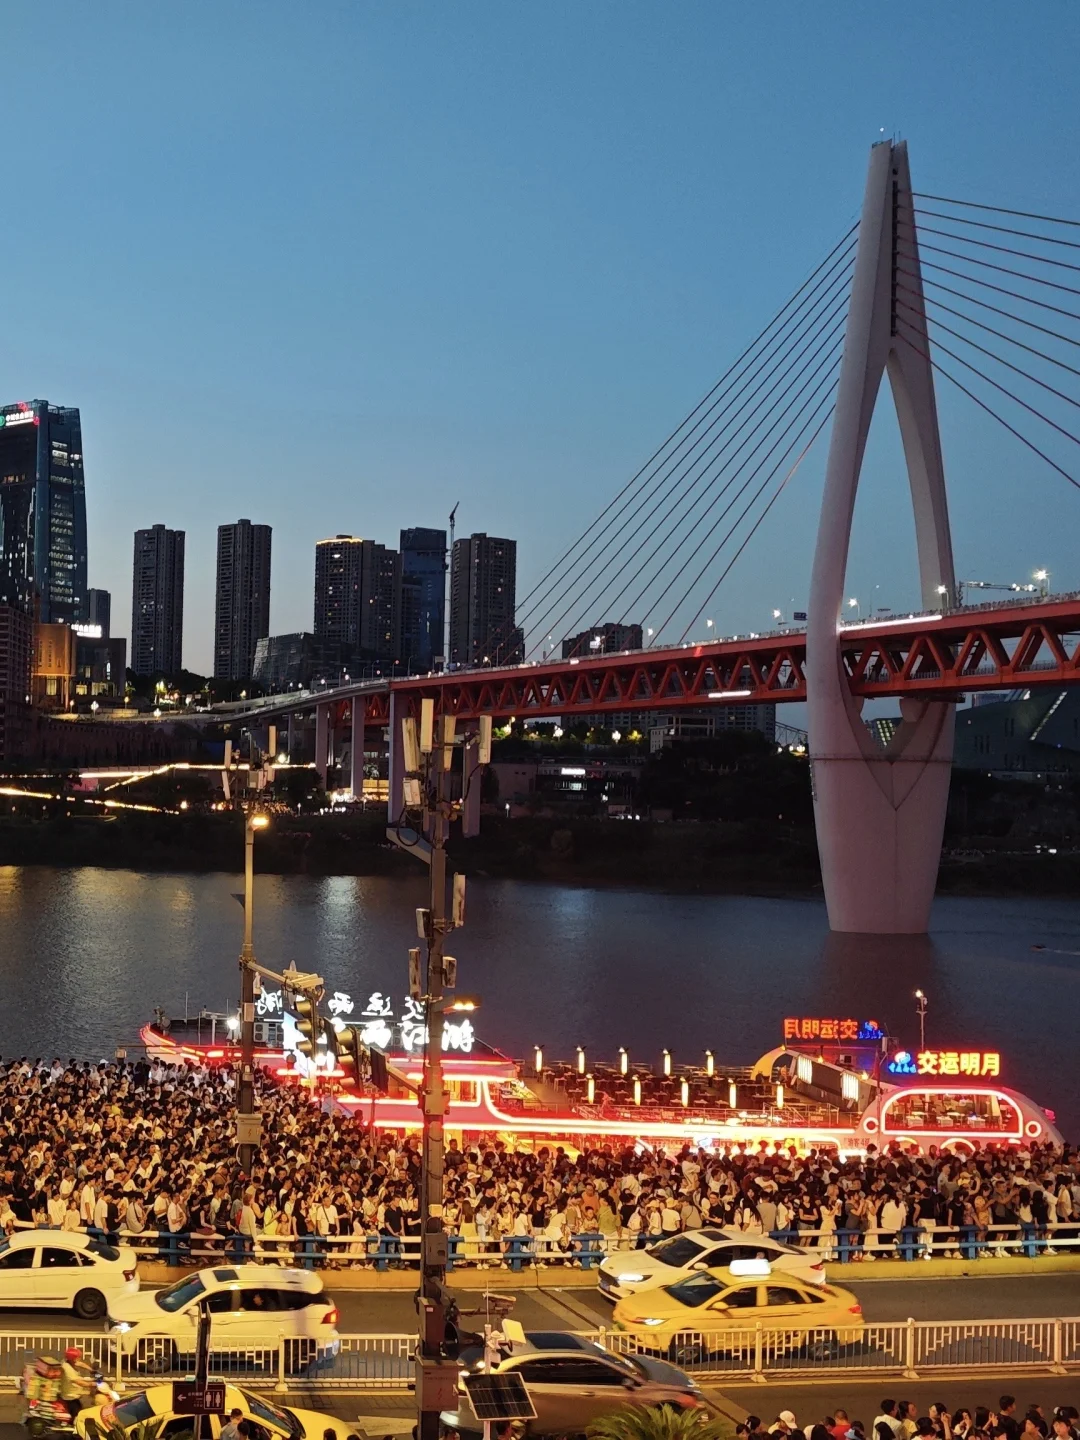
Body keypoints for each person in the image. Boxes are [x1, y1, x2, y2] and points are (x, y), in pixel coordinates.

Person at [59, 1347, 95, 1418]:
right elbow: (77, 1381)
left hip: (74, 1395)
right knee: (77, 1416)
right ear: (74, 1359)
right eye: (78, 1357)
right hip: (69, 1397)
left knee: (80, 1410)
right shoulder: (67, 1368)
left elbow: (80, 1364)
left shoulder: (69, 1362)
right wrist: (90, 1384)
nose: (80, 1358)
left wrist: (92, 1370)